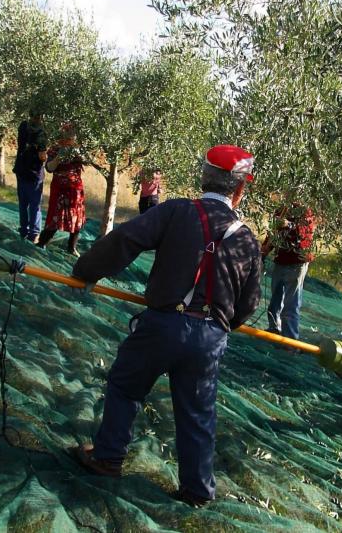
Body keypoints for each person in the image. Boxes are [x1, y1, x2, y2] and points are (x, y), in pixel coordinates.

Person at [71, 145, 262, 508]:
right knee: (198, 413)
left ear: (203, 178)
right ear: (240, 190)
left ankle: (108, 457)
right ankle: (197, 491)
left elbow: (126, 240)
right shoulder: (248, 240)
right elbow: (249, 304)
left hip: (161, 325)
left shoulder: (176, 211)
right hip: (209, 338)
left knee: (126, 387)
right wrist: (222, 325)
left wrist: (85, 272)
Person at [261, 202, 316, 340]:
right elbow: (274, 234)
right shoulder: (282, 209)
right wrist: (264, 251)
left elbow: (305, 236)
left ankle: (290, 340)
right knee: (275, 300)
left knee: (291, 303)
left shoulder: (305, 212)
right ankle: (273, 330)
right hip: (281, 260)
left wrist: (289, 225)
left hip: (297, 262)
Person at [37, 124, 86, 256]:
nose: (71, 136)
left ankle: (72, 247)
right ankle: (42, 243)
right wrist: (59, 157)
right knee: (55, 217)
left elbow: (88, 161)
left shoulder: (79, 149)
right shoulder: (55, 149)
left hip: (75, 188)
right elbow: (49, 168)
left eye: (73, 134)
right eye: (69, 134)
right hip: (59, 188)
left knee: (76, 217)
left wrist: (80, 154)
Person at [12, 112, 48, 242]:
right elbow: (42, 156)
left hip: (21, 169)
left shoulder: (23, 126)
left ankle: (23, 231)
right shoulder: (41, 134)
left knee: (23, 203)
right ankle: (34, 234)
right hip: (34, 173)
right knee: (35, 205)